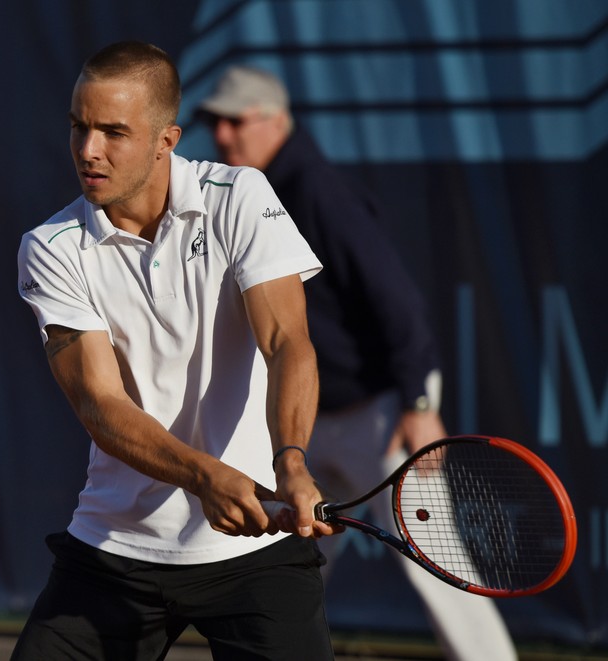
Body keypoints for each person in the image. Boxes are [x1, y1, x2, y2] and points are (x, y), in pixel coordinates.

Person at [14, 42, 342, 660]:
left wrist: (291, 462)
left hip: (255, 558)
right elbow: (100, 405)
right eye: (79, 127)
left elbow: (287, 342)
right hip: (114, 552)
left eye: (114, 131)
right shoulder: (51, 247)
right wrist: (203, 476)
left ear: (167, 139)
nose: (89, 150)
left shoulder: (240, 197)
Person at [198, 64, 518, 661]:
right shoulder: (254, 194)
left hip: (383, 414)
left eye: (235, 121)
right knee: (289, 565)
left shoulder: (318, 190)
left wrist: (420, 404)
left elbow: (396, 301)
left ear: (274, 121)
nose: (221, 135)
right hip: (318, 420)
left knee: (438, 565)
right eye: (215, 122)